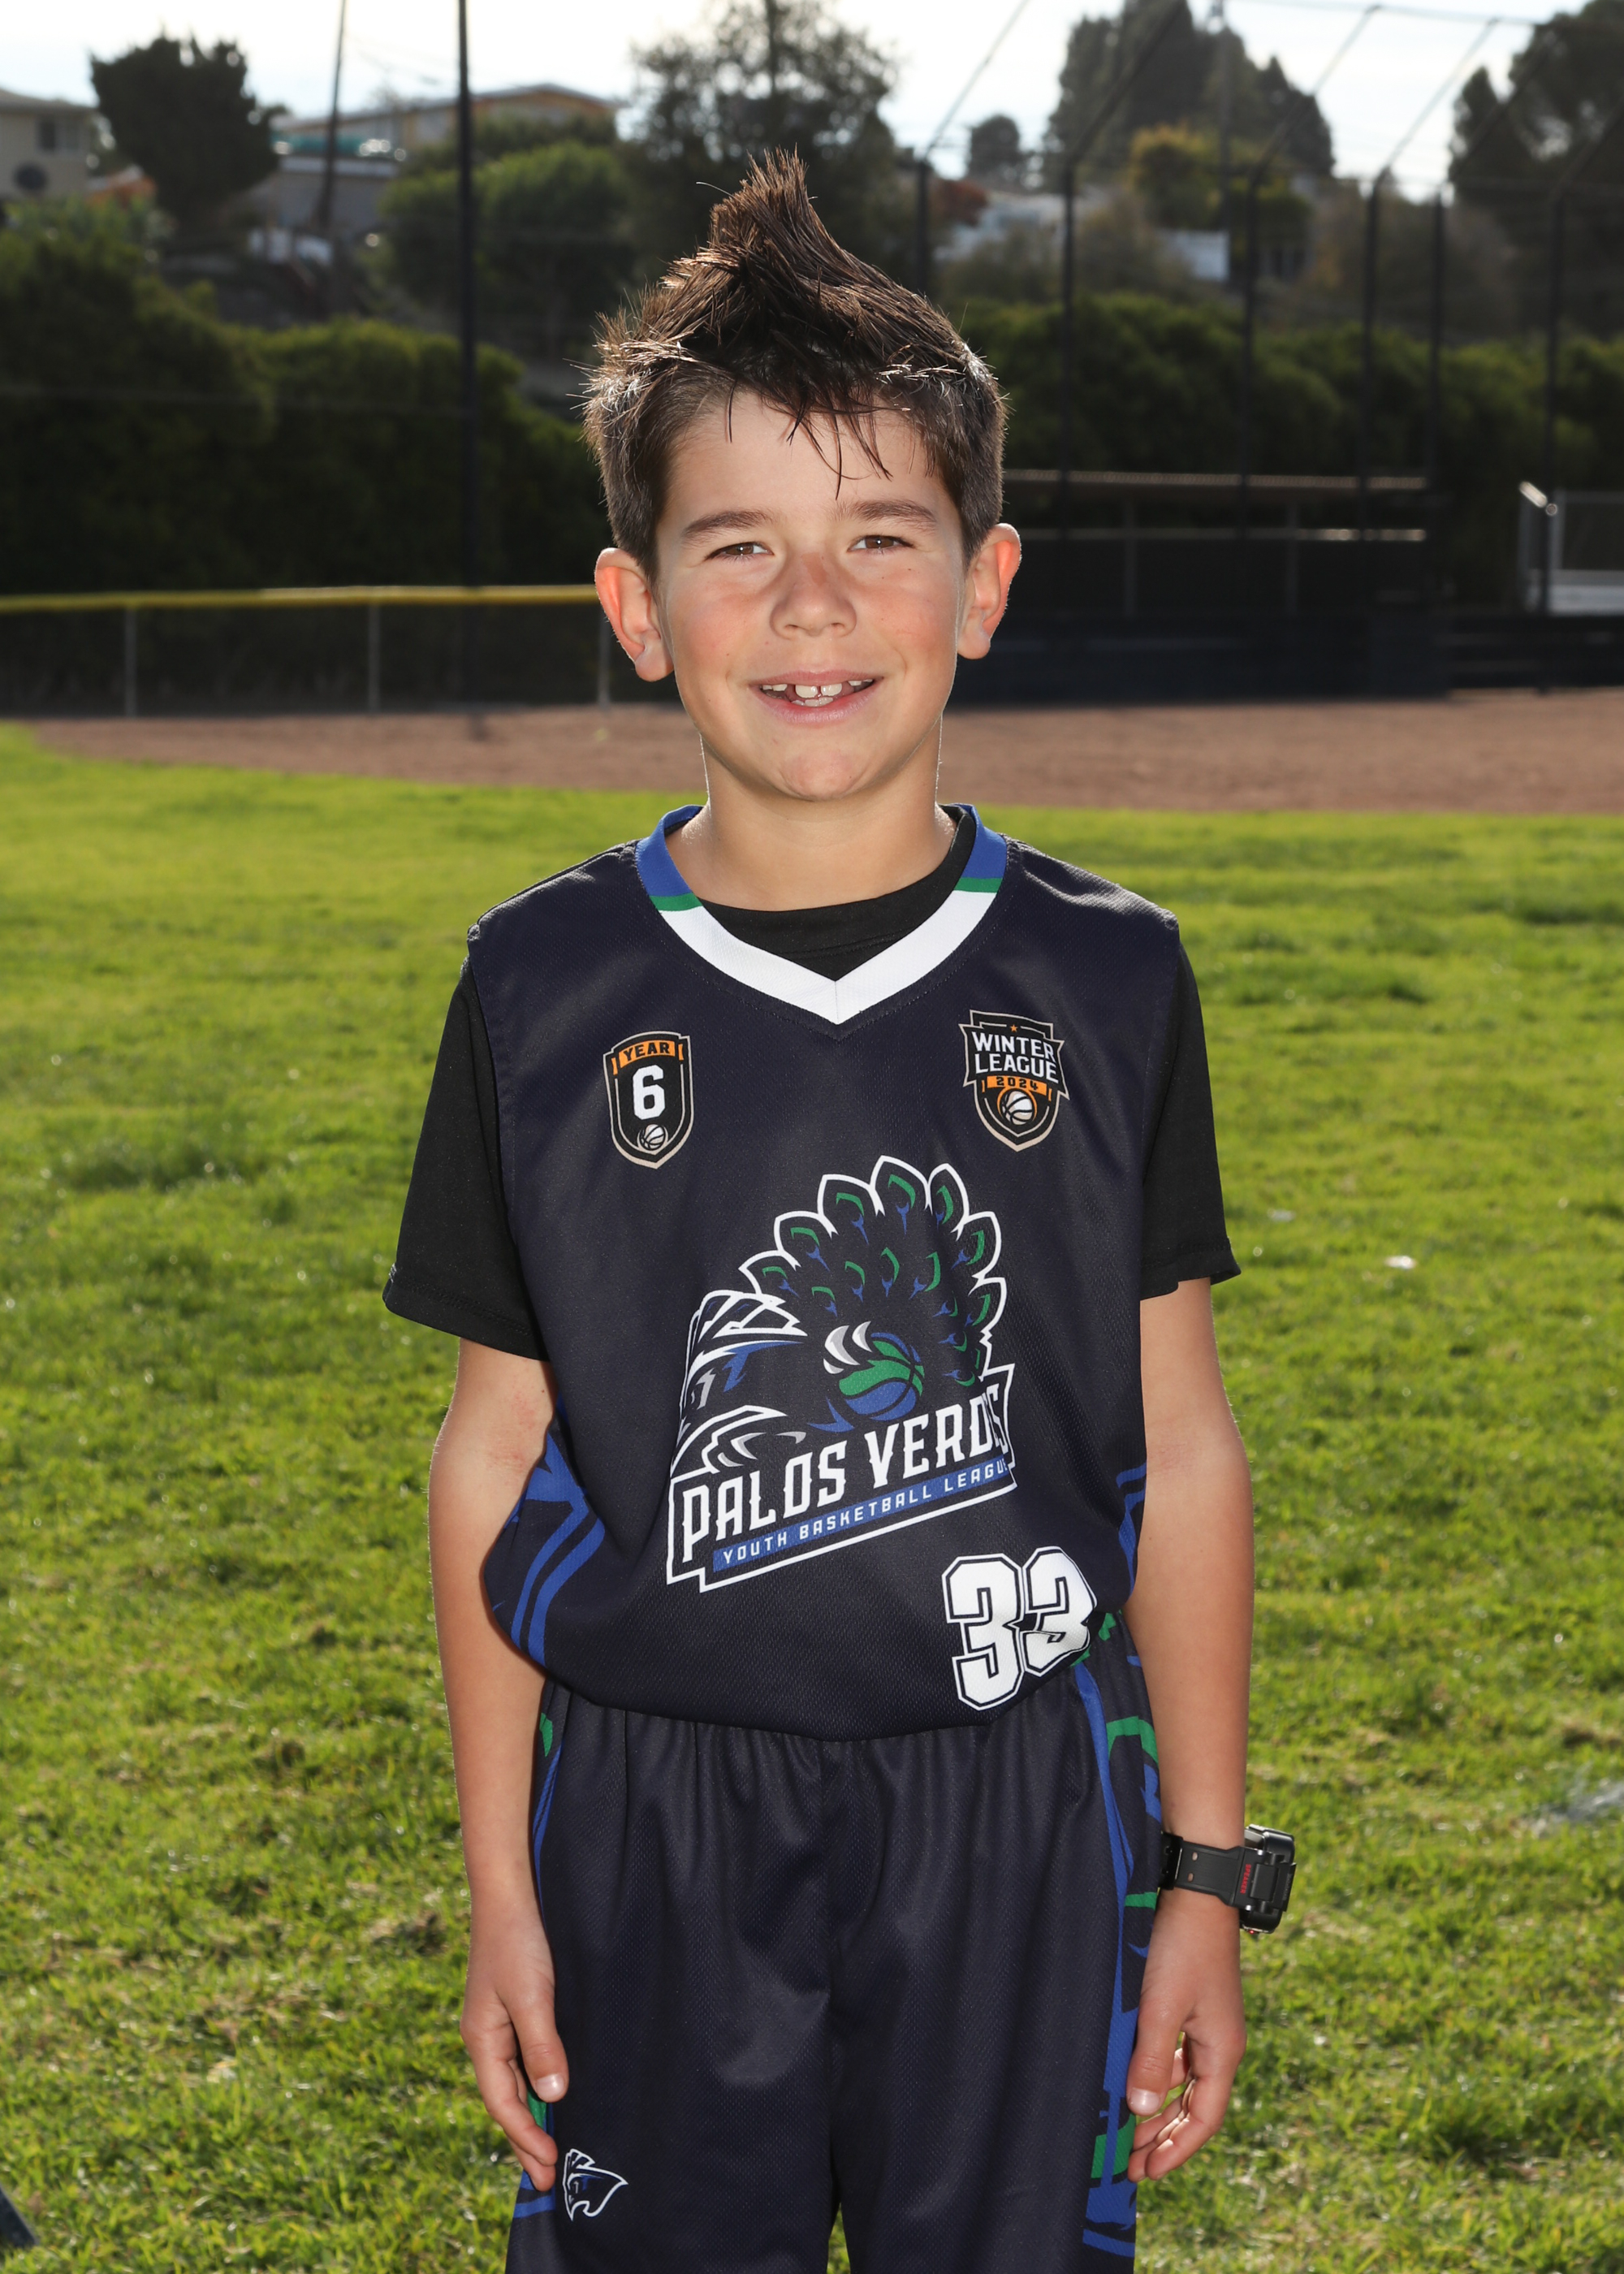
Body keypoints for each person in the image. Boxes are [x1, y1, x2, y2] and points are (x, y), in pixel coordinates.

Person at [385, 151, 1255, 2274]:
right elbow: (492, 1459)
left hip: (1019, 1805)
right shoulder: (541, 988)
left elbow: (1183, 1440)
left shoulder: (1110, 978)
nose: (811, 605)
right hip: (654, 1805)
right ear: (634, 607)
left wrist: (1209, 1875)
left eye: (880, 537)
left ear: (985, 581)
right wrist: (501, 1882)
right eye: (738, 545)